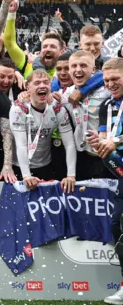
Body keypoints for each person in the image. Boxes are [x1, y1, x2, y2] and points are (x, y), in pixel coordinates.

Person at [86, 58, 123, 305]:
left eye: (115, 79)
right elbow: (103, 141)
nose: (110, 84)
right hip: (120, 174)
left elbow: (114, 141)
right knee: (117, 227)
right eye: (107, 80)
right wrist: (98, 143)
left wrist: (116, 141)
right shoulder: (106, 105)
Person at [10, 69, 76, 188]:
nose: (42, 85)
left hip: (46, 165)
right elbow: (21, 145)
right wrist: (26, 175)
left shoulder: (57, 108)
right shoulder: (18, 108)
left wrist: (71, 175)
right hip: (20, 167)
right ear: (27, 87)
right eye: (37, 83)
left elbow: (70, 143)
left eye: (46, 82)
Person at [60, 50, 110, 181]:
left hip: (107, 156)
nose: (78, 70)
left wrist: (84, 89)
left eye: (83, 65)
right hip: (82, 156)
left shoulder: (108, 89)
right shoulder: (66, 94)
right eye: (74, 66)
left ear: (93, 69)